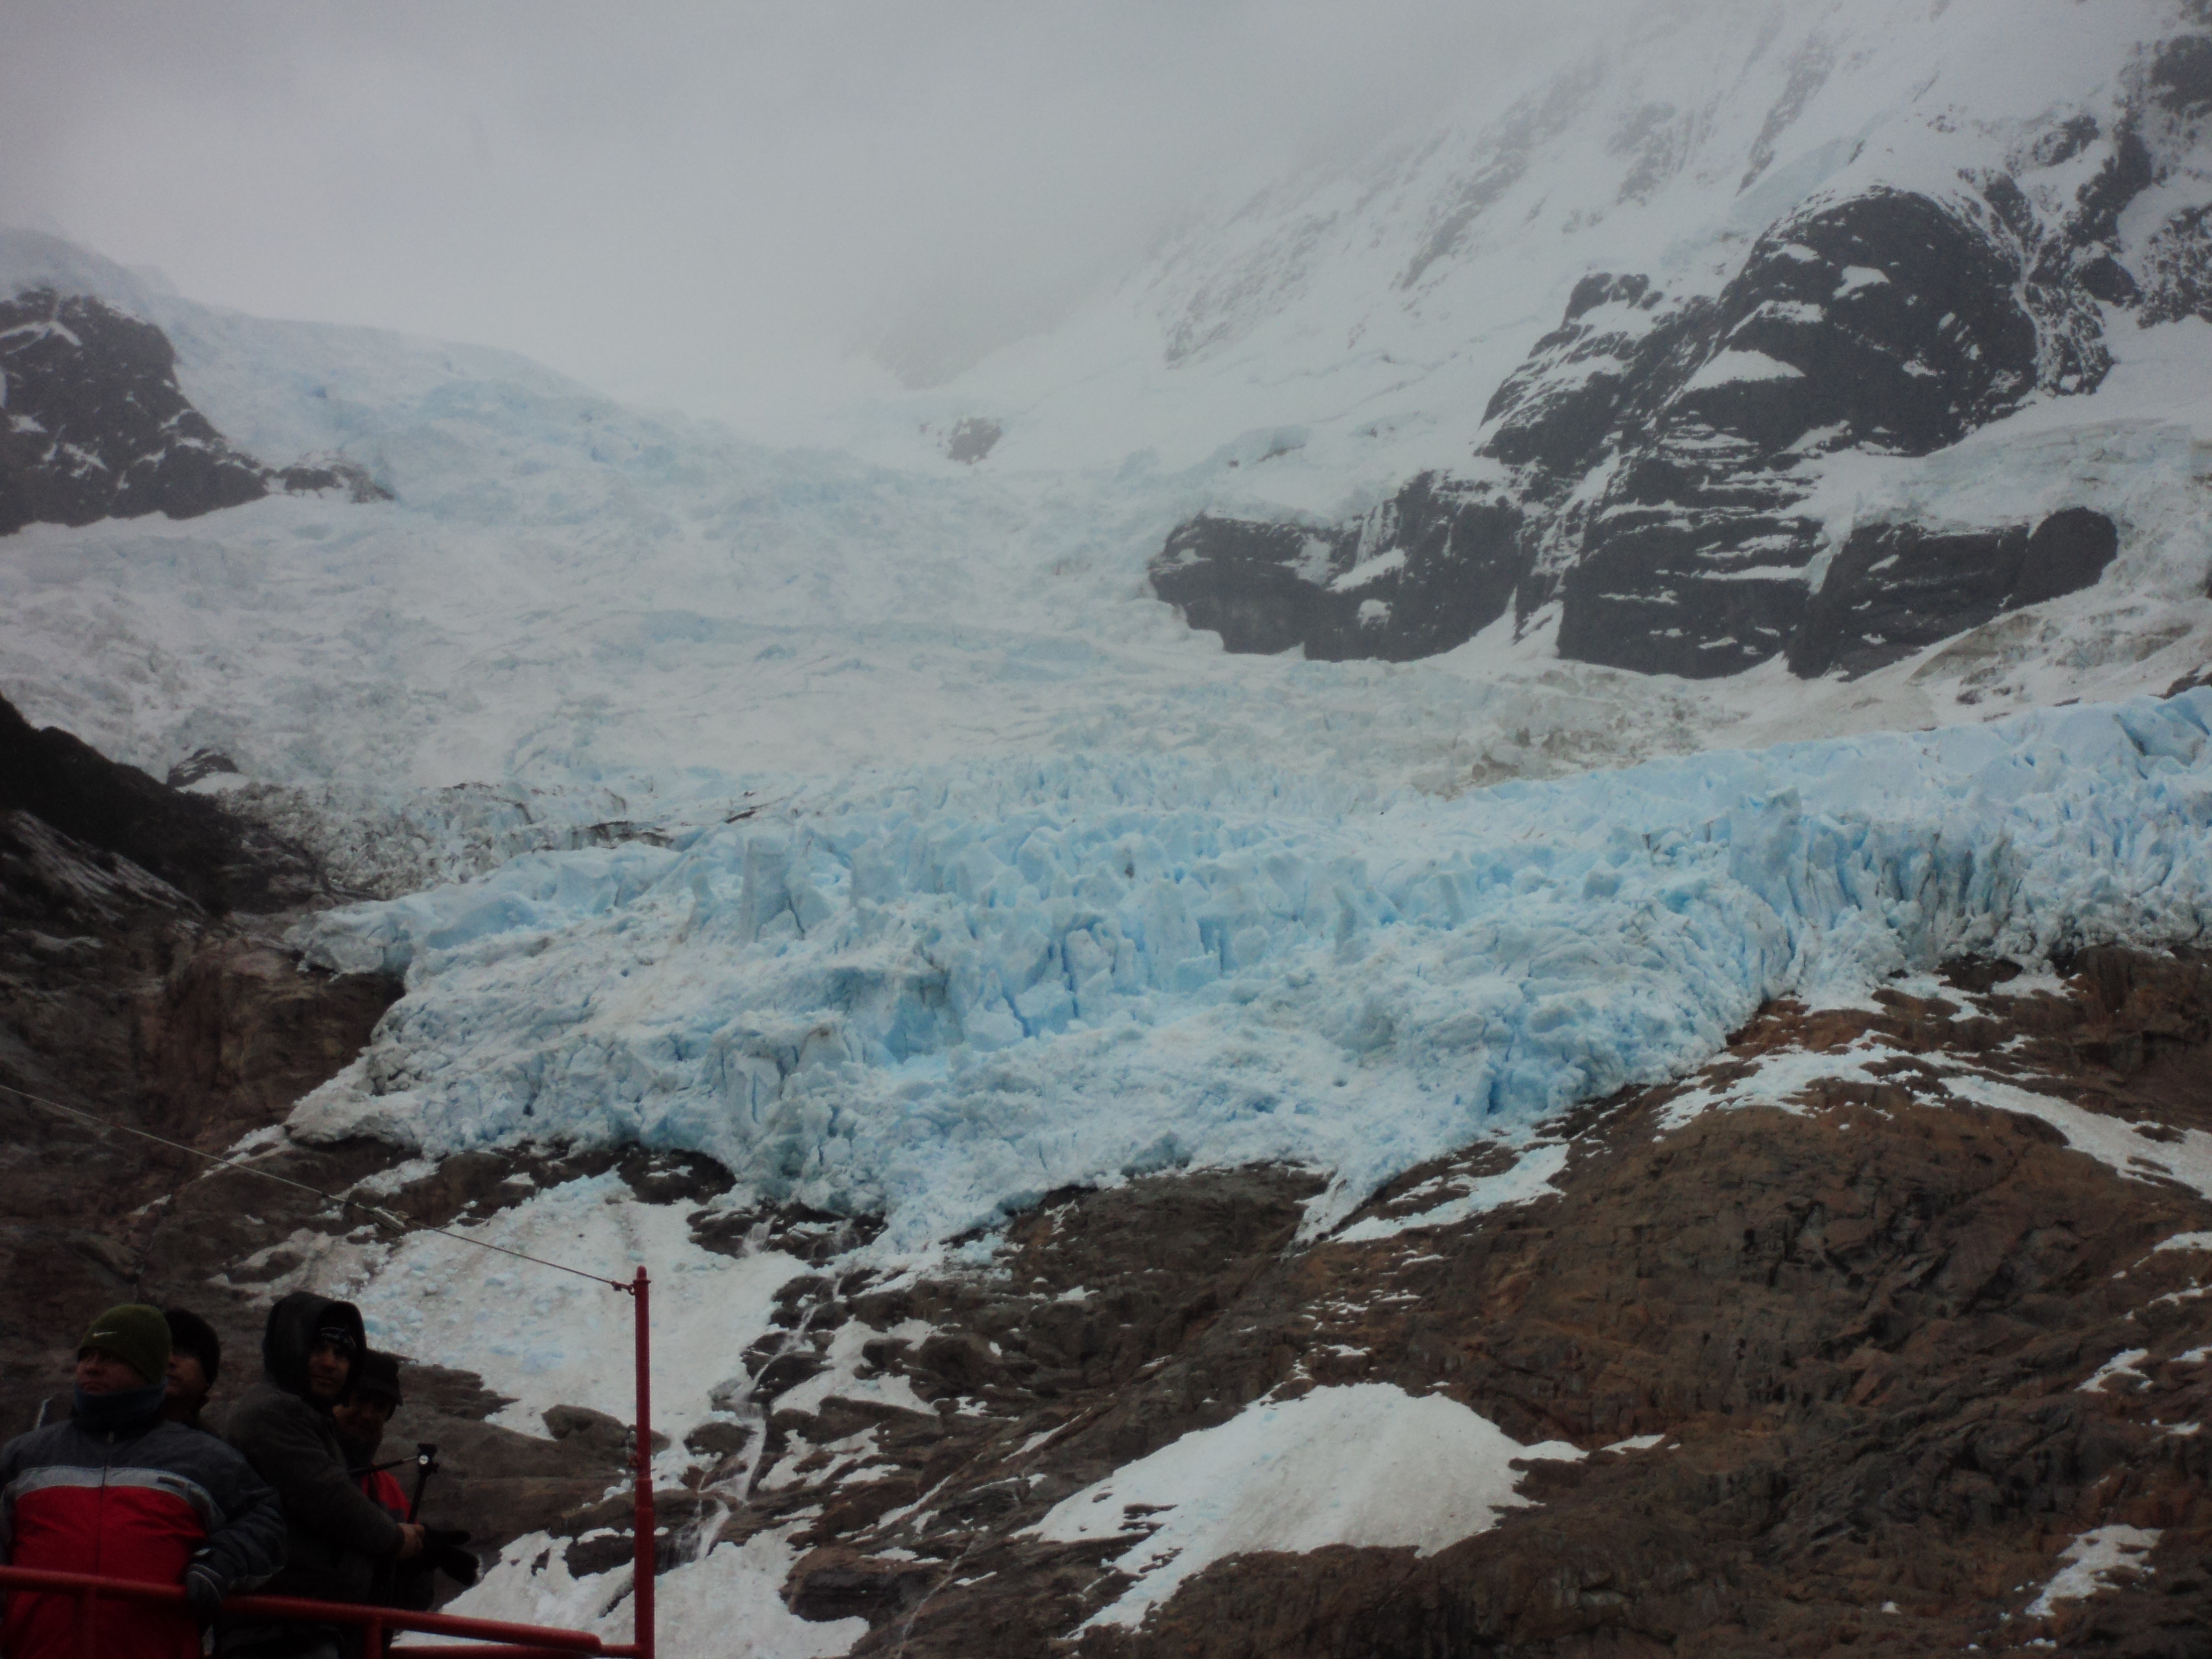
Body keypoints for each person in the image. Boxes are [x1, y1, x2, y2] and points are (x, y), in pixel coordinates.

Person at [0, 1302, 286, 1659]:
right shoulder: (24, 1457)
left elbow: (265, 1521)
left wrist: (219, 1564)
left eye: (111, 1357)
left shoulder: (204, 1458)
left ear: (150, 1370)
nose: (92, 1366)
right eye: (86, 1355)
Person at [221, 1295, 425, 1659]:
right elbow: (329, 1500)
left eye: (343, 1354)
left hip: (306, 1624)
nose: (330, 1363)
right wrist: (396, 1540)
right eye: (318, 1348)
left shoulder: (307, 1418)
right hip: (278, 1626)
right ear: (290, 1345)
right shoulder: (275, 1412)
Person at [331, 1353, 476, 1620]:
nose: (367, 1415)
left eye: (380, 1407)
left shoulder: (387, 1490)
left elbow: (415, 1603)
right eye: (360, 1399)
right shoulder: (302, 1463)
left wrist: (416, 1565)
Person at [164, 1306, 223, 1428]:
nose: (170, 1360)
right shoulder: (118, 1430)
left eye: (183, 1352)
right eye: (161, 1351)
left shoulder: (210, 1445)